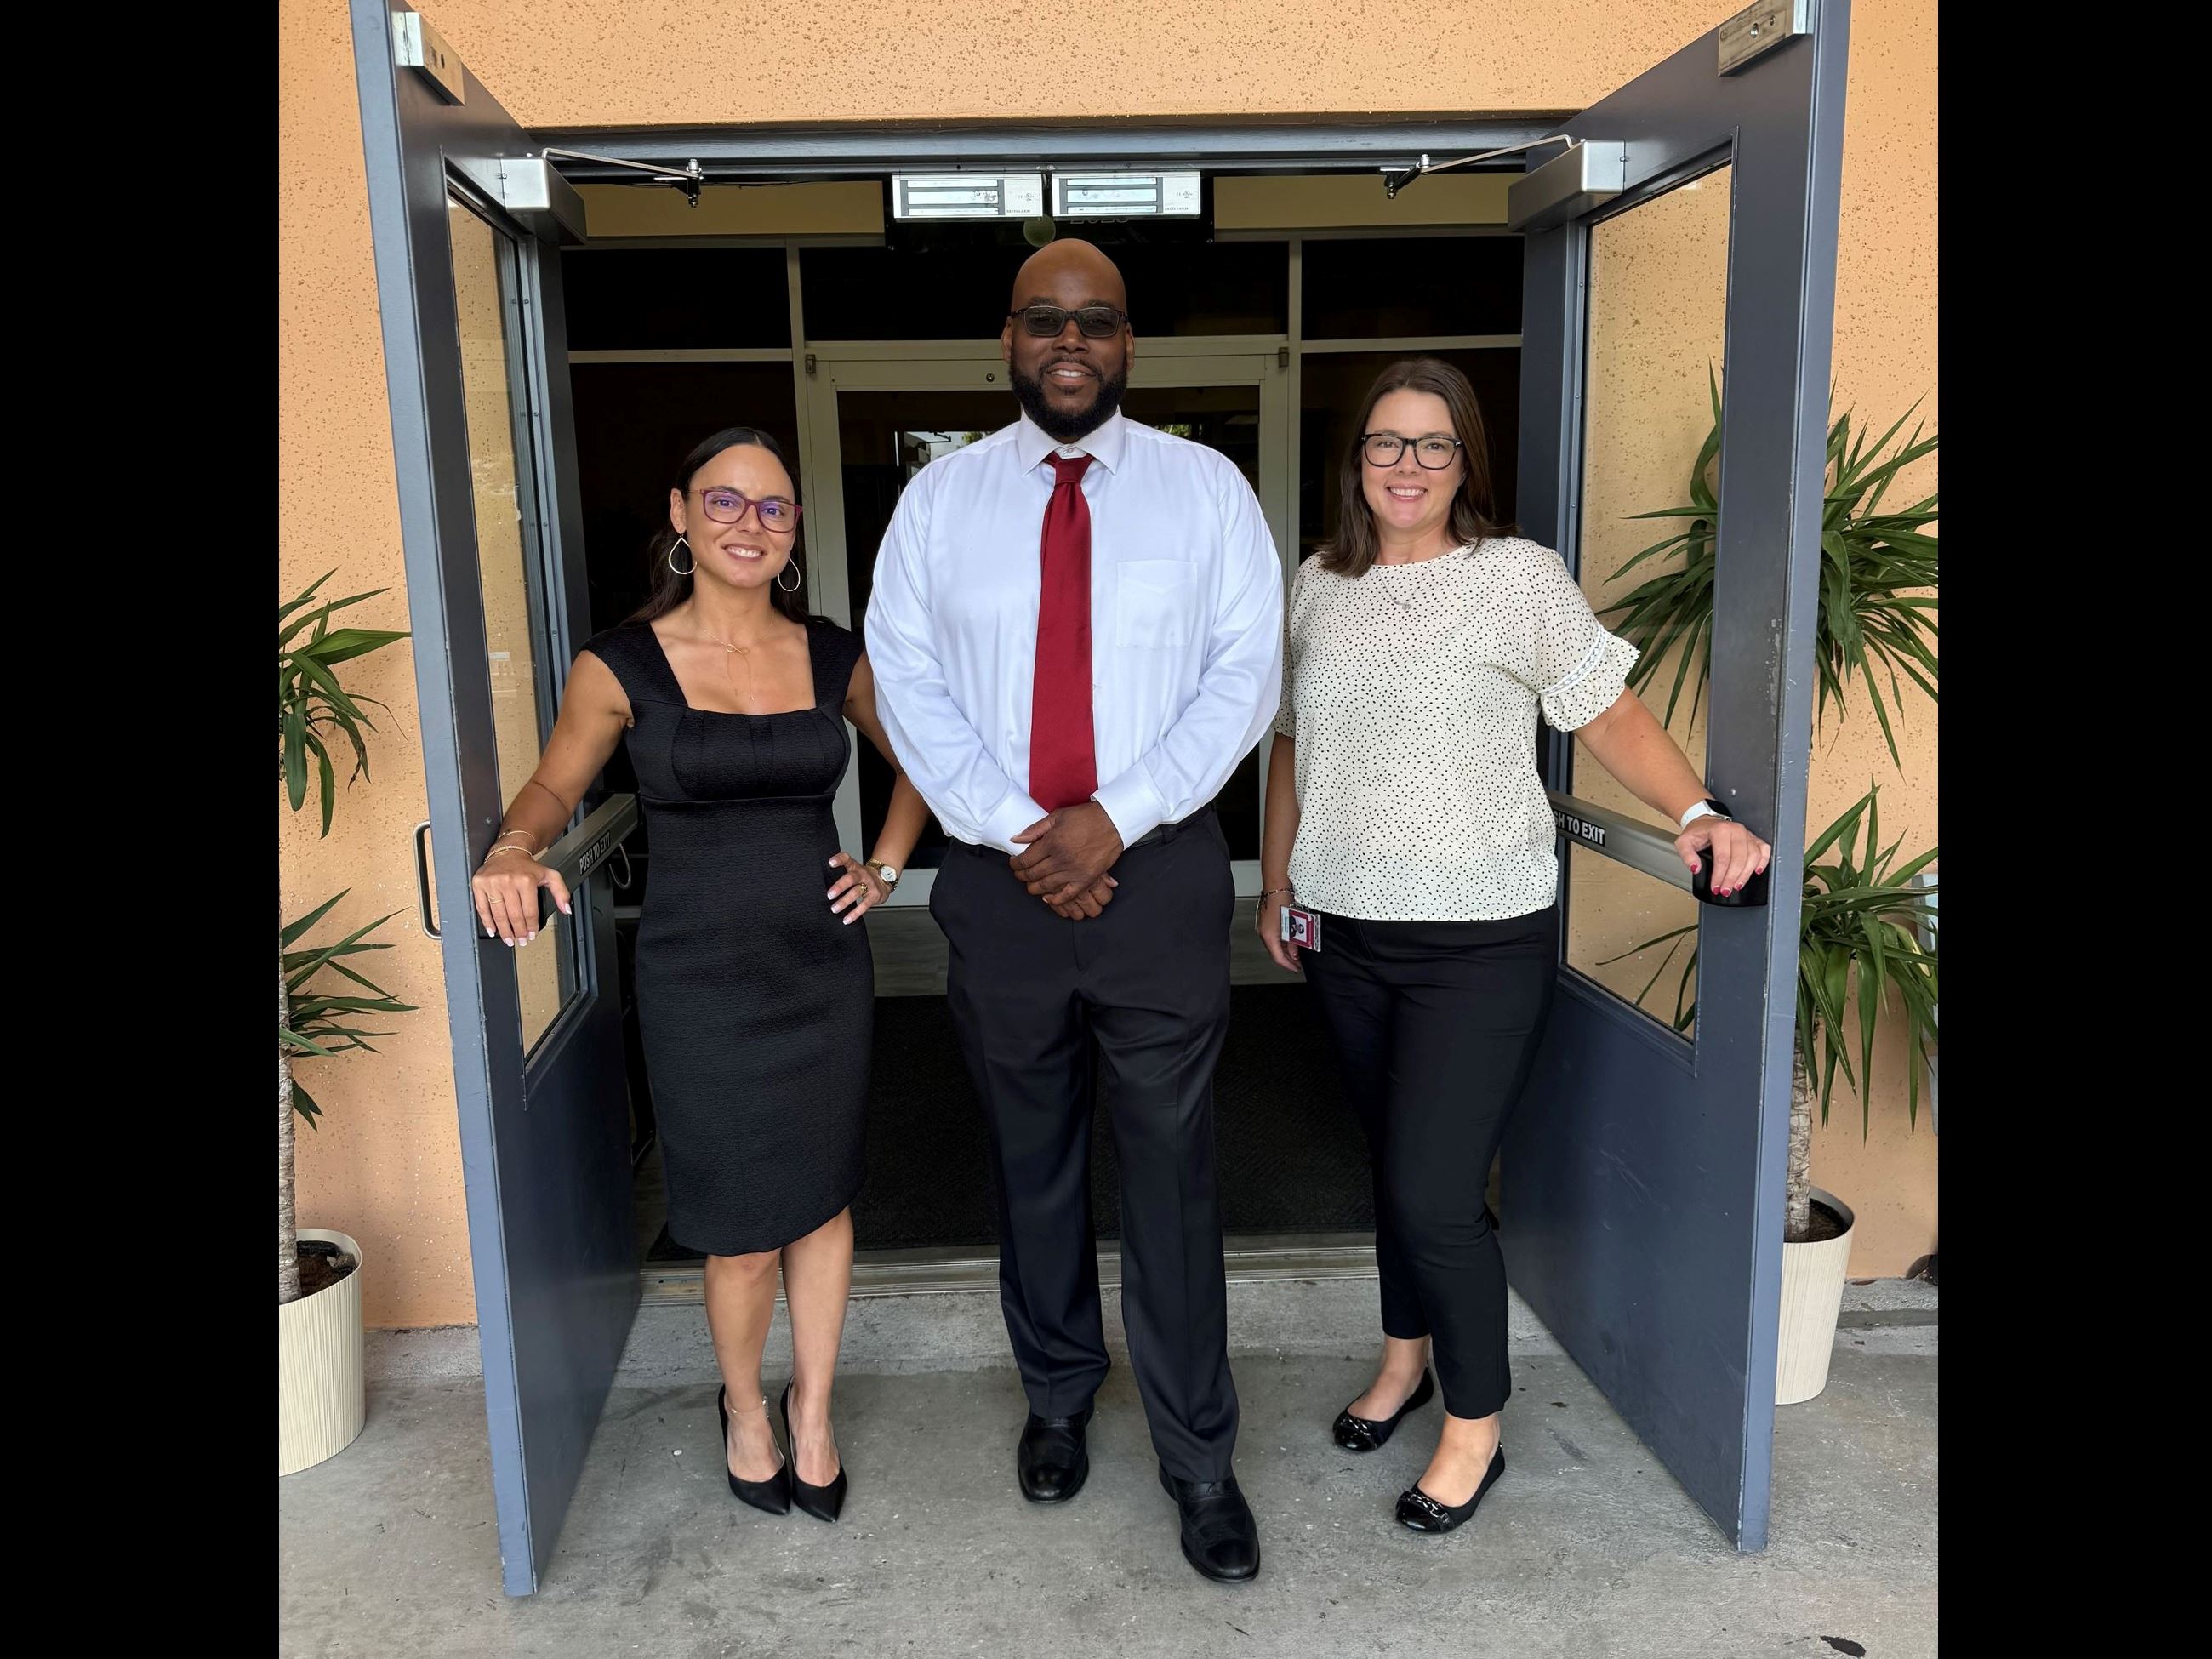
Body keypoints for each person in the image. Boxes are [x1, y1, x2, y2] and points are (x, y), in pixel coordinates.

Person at [1257, 359, 1772, 1536]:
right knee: (1392, 1167)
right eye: (1385, 443)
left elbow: (1610, 712)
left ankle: (1475, 1425)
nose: (1406, 466)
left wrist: (1696, 813)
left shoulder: (1517, 579)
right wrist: (1280, 881)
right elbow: (1291, 740)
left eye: (1432, 445)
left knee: (1436, 1191)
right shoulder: (1317, 585)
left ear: (1465, 461)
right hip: (1343, 928)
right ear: (1356, 462)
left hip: (1476, 938)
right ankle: (1404, 1360)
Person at [864, 238, 1283, 1583]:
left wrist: (1122, 810)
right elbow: (904, 680)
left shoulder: (1207, 491)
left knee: (1171, 1167)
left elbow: (1245, 676)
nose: (1069, 340)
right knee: (1028, 1152)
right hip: (998, 874)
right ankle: (1055, 1392)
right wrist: (1018, 827)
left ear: (1127, 346)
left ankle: (1199, 1454)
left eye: (1094, 321)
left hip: (1155, 865)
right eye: (1045, 319)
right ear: (1007, 338)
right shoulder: (941, 501)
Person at [469, 426, 928, 1526]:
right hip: (698, 982)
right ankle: (746, 1408)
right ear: (680, 513)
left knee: (822, 1208)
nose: (749, 524)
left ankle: (811, 1409)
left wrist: (886, 863)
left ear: (795, 530)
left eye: (772, 507)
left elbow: (920, 761)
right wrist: (510, 847)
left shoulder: (833, 654)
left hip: (820, 971)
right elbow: (548, 788)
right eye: (725, 502)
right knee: (739, 1228)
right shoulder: (618, 664)